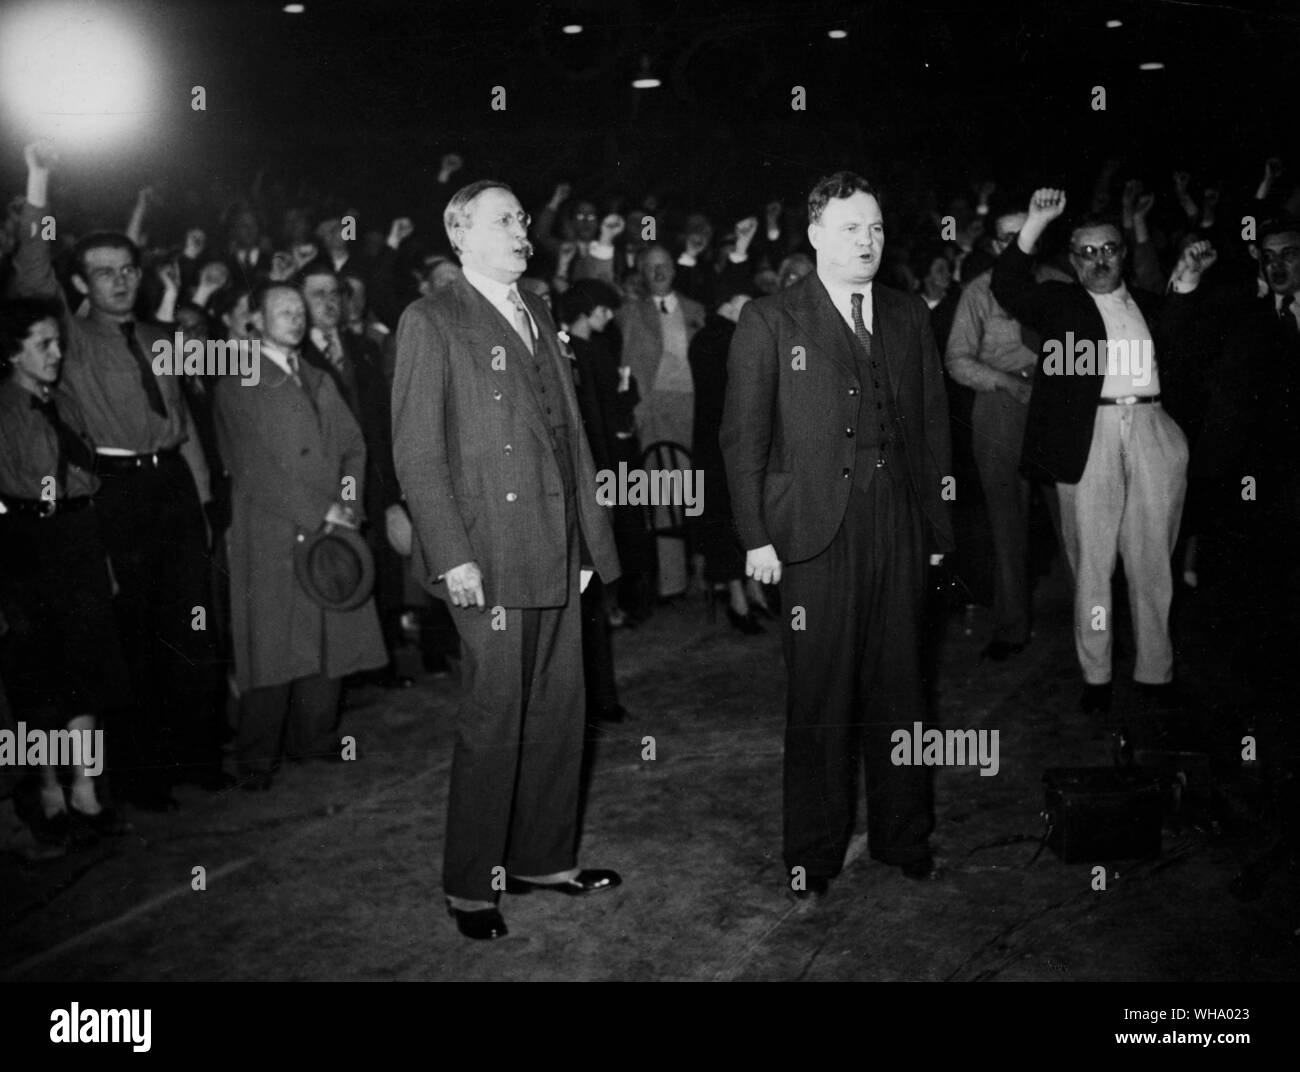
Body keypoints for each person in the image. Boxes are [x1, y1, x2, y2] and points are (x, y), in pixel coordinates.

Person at [392, 179, 622, 941]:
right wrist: (452, 556)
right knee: (495, 719)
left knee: (561, 709)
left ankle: (541, 859)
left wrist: (590, 542)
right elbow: (418, 452)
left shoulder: (538, 311)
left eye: (524, 218)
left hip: (558, 547)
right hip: (488, 552)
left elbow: (573, 439)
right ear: (460, 235)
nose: (523, 230)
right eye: (504, 219)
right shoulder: (432, 319)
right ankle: (472, 884)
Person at [721, 171, 954, 895]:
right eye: (852, 228)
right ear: (817, 234)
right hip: (814, 532)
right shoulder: (770, 318)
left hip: (900, 523)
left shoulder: (907, 313)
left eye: (877, 228)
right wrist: (756, 538)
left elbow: (933, 425)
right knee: (821, 698)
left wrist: (937, 526)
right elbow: (741, 437)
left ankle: (903, 835)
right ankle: (813, 853)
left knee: (903, 688)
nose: (868, 241)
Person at [10, 143, 223, 808]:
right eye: (103, 273)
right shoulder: (68, 339)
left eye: (127, 270)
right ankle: (143, 774)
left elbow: (181, 421)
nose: (120, 281)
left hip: (173, 489)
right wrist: (39, 181)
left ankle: (196, 754)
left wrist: (206, 500)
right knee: (134, 631)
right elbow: (32, 275)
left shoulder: (162, 335)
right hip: (118, 492)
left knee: (192, 622)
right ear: (82, 285)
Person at [991, 188, 1216, 718]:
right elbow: (1009, 287)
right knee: (1092, 563)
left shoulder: (1149, 303)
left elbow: (1189, 336)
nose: (1098, 260)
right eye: (1086, 252)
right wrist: (1035, 224)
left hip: (1154, 429)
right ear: (1071, 260)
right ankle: (1096, 675)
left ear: (1121, 252)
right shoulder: (1060, 303)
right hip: (1087, 434)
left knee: (1153, 560)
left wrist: (1187, 279)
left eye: (1108, 249)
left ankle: (1155, 673)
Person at [213, 282, 387, 789]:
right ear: (256, 324)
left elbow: (356, 447)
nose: (293, 318)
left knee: (328, 632)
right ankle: (256, 758)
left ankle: (313, 738)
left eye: (298, 310)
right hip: (272, 530)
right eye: (280, 311)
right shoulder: (238, 380)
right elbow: (250, 469)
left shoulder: (316, 377)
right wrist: (322, 510)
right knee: (271, 644)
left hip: (330, 528)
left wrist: (350, 503)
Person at [0, 298, 132, 845]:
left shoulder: (63, 401)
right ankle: (49, 794)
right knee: (37, 678)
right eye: (43, 345)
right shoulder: (4, 410)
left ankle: (86, 789)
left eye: (58, 342)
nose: (57, 353)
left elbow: (88, 473)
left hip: (77, 538)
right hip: (27, 546)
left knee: (86, 671)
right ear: (12, 352)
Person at [945, 209, 1037, 660]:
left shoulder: (1058, 281)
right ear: (996, 245)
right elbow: (957, 359)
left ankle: (1097, 630)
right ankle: (1011, 628)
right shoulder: (978, 292)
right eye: (1007, 238)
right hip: (1001, 403)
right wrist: (1004, 381)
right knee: (1006, 520)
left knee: (1075, 520)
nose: (1018, 243)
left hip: (1055, 400)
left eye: (1026, 235)